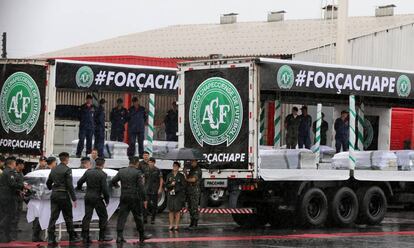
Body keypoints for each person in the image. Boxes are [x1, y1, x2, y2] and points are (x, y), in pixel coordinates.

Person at [111, 157, 151, 243]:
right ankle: (141, 235)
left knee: (122, 217)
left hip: (124, 196)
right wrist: (144, 199)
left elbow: (113, 181)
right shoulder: (138, 172)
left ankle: (119, 236)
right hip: (134, 197)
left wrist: (117, 186)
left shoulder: (122, 171)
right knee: (138, 217)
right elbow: (141, 187)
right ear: (136, 163)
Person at [46, 152, 80, 245]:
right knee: (68, 217)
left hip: (54, 195)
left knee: (53, 217)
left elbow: (48, 183)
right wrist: (74, 198)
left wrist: (52, 188)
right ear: (67, 159)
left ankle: (50, 238)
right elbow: (70, 185)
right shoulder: (67, 170)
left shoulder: (53, 169)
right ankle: (72, 238)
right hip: (64, 195)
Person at [77, 158, 112, 243]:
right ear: (103, 165)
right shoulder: (103, 174)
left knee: (87, 217)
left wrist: (79, 189)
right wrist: (107, 200)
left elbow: (79, 182)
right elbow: (104, 189)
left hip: (88, 196)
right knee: (103, 216)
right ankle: (102, 237)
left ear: (95, 164)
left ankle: (85, 237)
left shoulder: (88, 172)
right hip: (97, 198)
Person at [0, 157, 25, 243]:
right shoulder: (9, 172)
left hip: (5, 197)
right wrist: (23, 186)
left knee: (5, 216)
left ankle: (6, 236)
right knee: (7, 216)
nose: (15, 165)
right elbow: (12, 184)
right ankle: (3, 236)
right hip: (8, 198)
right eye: (14, 163)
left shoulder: (5, 171)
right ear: (11, 163)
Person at [32, 157, 56, 242]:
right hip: (42, 197)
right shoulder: (41, 171)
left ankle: (38, 235)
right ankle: (36, 235)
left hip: (44, 196)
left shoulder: (44, 171)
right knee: (40, 216)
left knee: (42, 216)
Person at [166, 162, 186, 231]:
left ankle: (176, 225)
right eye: (174, 166)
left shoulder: (181, 176)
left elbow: (183, 186)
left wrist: (177, 189)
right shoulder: (169, 175)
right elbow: (166, 185)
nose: (175, 167)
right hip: (170, 195)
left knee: (177, 211)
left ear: (178, 167)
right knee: (171, 210)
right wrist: (171, 185)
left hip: (178, 195)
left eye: (176, 166)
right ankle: (171, 225)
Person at [143, 157, 164, 224]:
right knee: (146, 204)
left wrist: (160, 188)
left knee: (154, 205)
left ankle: (153, 219)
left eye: (151, 162)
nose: (150, 163)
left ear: (154, 163)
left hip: (154, 189)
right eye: (149, 162)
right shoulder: (145, 169)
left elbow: (161, 179)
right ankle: (145, 218)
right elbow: (143, 179)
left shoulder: (157, 170)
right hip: (147, 189)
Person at [185, 159, 202, 229]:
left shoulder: (198, 170)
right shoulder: (192, 169)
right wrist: (185, 173)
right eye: (191, 161)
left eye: (193, 161)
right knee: (190, 207)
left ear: (196, 162)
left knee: (194, 207)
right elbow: (189, 178)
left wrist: (186, 179)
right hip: (190, 190)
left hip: (195, 191)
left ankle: (195, 223)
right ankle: (192, 223)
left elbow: (193, 179)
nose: (191, 163)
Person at [10, 159, 25, 241]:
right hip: (15, 196)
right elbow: (13, 185)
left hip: (20, 196)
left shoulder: (21, 173)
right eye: (22, 164)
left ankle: (15, 227)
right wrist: (19, 190)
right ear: (18, 165)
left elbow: (21, 183)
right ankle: (11, 231)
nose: (23, 166)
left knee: (18, 212)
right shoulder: (13, 173)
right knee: (14, 213)